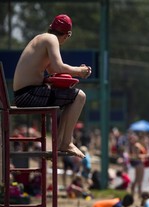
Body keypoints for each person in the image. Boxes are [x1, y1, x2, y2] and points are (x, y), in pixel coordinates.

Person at [13, 14, 92, 158]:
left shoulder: (42, 38)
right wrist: (80, 71)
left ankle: (62, 142)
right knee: (79, 96)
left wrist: (57, 78)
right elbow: (58, 66)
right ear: (67, 35)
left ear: (51, 27)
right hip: (28, 95)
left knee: (70, 97)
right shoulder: (52, 39)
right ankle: (66, 142)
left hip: (23, 94)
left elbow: (51, 70)